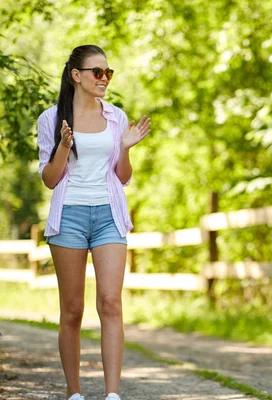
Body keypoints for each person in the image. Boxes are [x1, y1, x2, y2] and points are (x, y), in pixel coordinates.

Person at [37, 45, 151, 400]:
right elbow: (50, 179)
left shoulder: (116, 116)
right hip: (68, 215)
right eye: (97, 72)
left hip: (108, 217)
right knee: (72, 310)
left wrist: (127, 148)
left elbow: (122, 176)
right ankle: (74, 393)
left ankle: (112, 393)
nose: (104, 79)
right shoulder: (51, 119)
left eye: (108, 72)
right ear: (76, 75)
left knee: (111, 303)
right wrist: (62, 146)